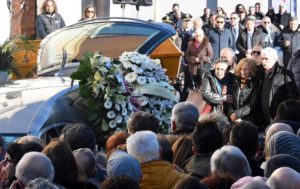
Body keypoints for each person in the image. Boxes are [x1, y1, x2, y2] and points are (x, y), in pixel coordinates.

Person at [260, 47, 298, 127]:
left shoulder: (285, 74)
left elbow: (292, 98)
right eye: (262, 58)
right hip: (263, 118)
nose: (263, 61)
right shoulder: (260, 73)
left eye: (266, 59)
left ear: (274, 59)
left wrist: (283, 115)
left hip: (279, 119)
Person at [227, 58, 259, 123]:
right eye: (241, 69)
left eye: (246, 69)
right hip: (233, 118)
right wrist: (231, 113)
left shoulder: (255, 84)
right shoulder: (235, 81)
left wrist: (238, 114)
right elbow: (229, 99)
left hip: (248, 119)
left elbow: (253, 104)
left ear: (251, 70)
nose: (243, 71)